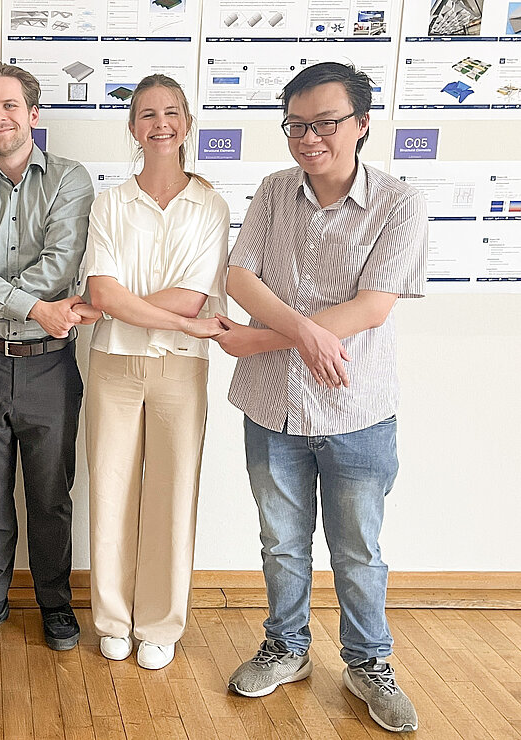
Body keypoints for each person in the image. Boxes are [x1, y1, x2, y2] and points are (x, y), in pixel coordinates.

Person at [214, 62, 426, 733]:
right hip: (271, 404)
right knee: (281, 542)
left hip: (356, 408)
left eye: (326, 123)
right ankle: (287, 649)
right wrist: (303, 332)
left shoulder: (398, 202)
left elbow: (372, 307)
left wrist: (261, 339)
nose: (309, 138)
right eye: (296, 125)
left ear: (361, 124)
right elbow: (240, 277)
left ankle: (368, 663)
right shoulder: (275, 191)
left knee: (358, 549)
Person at [0, 60, 94, 652]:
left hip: (50, 365)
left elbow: (60, 263)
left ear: (33, 113)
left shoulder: (70, 179)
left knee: (51, 495)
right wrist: (33, 308)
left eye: (9, 105)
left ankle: (55, 602)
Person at [81, 74, 228, 670]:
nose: (159, 123)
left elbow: (192, 297)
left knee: (173, 492)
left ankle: (161, 624)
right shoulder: (110, 202)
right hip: (113, 362)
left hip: (181, 369)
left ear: (186, 124)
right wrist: (138, 308)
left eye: (170, 113)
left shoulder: (211, 205)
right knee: (110, 490)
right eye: (147, 114)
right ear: (133, 127)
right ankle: (114, 620)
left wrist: (128, 304)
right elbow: (101, 293)